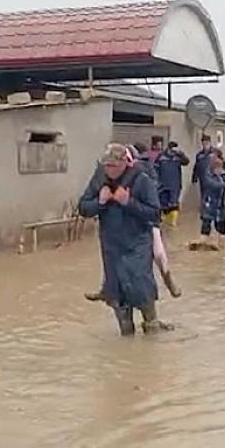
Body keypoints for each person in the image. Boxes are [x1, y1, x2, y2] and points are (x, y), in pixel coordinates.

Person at [79, 143, 172, 335]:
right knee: (118, 297)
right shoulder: (100, 179)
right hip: (111, 247)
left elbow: (155, 214)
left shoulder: (141, 180)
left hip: (137, 244)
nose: (108, 169)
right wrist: (100, 202)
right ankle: (126, 341)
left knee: (142, 289)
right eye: (106, 165)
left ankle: (151, 329)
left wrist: (128, 203)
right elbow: (83, 207)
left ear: (124, 163)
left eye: (112, 166)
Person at [198, 149, 225, 249]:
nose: (219, 170)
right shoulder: (208, 176)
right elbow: (213, 185)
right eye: (217, 168)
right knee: (206, 224)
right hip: (209, 204)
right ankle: (203, 243)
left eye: (220, 168)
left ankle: (221, 246)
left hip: (222, 206)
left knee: (221, 227)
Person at [155, 141, 190, 226]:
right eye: (172, 149)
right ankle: (161, 221)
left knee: (173, 203)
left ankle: (172, 223)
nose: (173, 151)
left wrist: (181, 154)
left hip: (175, 184)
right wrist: (156, 181)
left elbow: (186, 162)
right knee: (162, 204)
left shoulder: (178, 157)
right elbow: (155, 167)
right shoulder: (161, 156)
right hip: (162, 184)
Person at [191, 134, 214, 201]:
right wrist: (194, 177)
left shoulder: (215, 152)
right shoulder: (199, 155)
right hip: (203, 179)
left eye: (207, 142)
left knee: (212, 195)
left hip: (213, 178)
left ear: (210, 142)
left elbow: (222, 164)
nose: (205, 144)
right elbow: (196, 166)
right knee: (203, 196)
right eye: (204, 143)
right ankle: (204, 209)